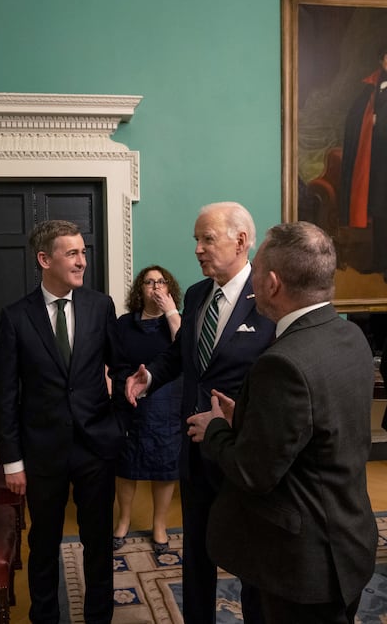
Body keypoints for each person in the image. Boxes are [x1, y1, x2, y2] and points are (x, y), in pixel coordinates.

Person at [186, 221, 377, 624]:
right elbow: (316, 428)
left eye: (255, 270)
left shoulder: (283, 362)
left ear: (271, 284)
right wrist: (251, 419)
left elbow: (253, 472)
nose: (250, 277)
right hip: (350, 539)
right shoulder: (350, 336)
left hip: (304, 561)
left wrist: (216, 428)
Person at [125, 201, 275, 624]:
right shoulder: (194, 295)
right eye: (196, 239)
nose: (197, 249)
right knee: (196, 557)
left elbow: (281, 380)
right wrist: (150, 377)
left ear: (241, 241)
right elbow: (180, 356)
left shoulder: (267, 298)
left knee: (251, 566)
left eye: (207, 238)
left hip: (243, 458)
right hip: (193, 452)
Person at [0, 219, 122, 624]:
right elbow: (6, 394)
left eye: (83, 252)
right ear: (45, 259)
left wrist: (117, 424)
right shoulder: (15, 318)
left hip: (94, 447)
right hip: (42, 452)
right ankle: (44, 617)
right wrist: (13, 461)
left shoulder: (101, 307)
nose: (82, 261)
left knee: (98, 542)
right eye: (72, 253)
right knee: (44, 543)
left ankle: (99, 616)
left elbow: (119, 368)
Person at [112, 265, 182, 554]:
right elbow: (113, 359)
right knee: (126, 465)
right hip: (130, 400)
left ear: (168, 288)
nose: (155, 286)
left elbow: (185, 349)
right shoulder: (124, 323)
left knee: (164, 466)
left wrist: (171, 312)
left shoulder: (177, 319)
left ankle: (159, 525)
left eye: (161, 282)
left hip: (166, 403)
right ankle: (124, 521)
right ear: (140, 289)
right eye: (149, 282)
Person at [340, 46, 387, 278]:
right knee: (380, 213)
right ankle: (380, 263)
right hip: (378, 161)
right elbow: (355, 117)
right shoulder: (371, 86)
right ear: (381, 60)